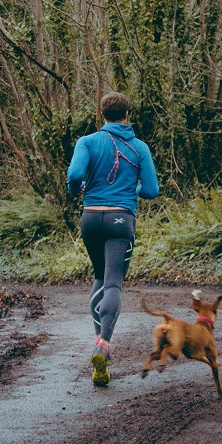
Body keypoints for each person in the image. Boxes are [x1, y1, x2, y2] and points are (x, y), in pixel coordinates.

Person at [66, 91, 159, 387]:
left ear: (102, 114)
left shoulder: (87, 142)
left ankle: (98, 344)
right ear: (127, 114)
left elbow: (74, 174)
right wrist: (132, 189)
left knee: (98, 277)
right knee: (113, 282)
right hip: (122, 220)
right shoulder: (139, 147)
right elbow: (152, 190)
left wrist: (77, 188)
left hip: (91, 218)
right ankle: (103, 345)